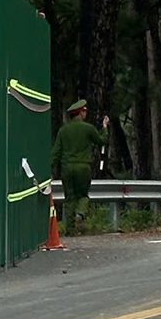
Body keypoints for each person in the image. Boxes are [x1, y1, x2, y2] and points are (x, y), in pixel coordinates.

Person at [52, 99, 109, 232]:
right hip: (83, 167)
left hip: (67, 168)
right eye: (85, 111)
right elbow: (101, 141)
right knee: (83, 195)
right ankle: (80, 213)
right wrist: (105, 127)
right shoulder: (88, 128)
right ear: (81, 113)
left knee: (69, 199)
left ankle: (70, 230)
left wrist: (49, 167)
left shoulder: (63, 130)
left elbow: (56, 152)